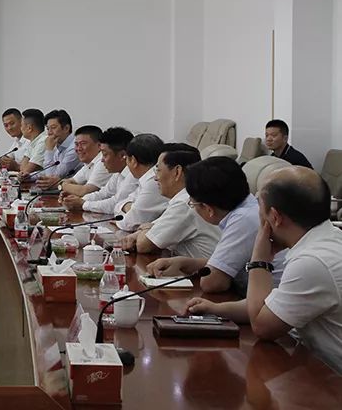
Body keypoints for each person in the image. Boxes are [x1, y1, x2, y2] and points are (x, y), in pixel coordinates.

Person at [186, 167, 342, 374]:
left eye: (260, 208)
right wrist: (216, 309)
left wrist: (260, 259)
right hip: (313, 365)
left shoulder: (312, 262)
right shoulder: (327, 239)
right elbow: (271, 308)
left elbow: (263, 326)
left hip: (329, 379)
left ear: (275, 217)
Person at [147, 156, 284, 293]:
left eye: (192, 204)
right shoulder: (249, 207)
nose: (192, 207)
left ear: (208, 209)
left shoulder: (243, 219)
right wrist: (186, 263)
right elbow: (223, 266)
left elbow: (212, 283)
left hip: (270, 301)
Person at [119, 144, 221, 259]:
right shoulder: (187, 197)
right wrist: (148, 229)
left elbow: (143, 245)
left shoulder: (186, 203)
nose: (155, 178)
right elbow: (149, 230)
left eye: (158, 170)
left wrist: (147, 229)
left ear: (177, 172)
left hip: (203, 270)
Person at [62, 127, 136, 215]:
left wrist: (83, 204)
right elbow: (103, 194)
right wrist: (77, 200)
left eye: (105, 154)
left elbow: (115, 203)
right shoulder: (118, 173)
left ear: (122, 155)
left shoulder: (133, 175)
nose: (102, 160)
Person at [114, 134, 168, 231]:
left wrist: (128, 209)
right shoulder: (145, 178)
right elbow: (119, 204)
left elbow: (129, 223)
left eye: (127, 159)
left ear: (133, 161)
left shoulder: (153, 181)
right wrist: (129, 207)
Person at [58, 125, 110, 197]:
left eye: (83, 144)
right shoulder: (89, 163)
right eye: (76, 144)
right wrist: (67, 187)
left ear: (99, 146)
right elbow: (72, 181)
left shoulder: (103, 161)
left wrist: (62, 186)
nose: (79, 148)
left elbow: (85, 191)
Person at [35, 109, 81, 187]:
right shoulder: (59, 144)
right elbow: (48, 170)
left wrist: (49, 150)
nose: (49, 133)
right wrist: (29, 176)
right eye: (48, 128)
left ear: (66, 128)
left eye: (53, 128)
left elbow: (51, 177)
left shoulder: (75, 148)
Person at [18, 108, 47, 177]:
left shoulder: (43, 141)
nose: (20, 128)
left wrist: (24, 169)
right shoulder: (33, 141)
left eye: (21, 125)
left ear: (29, 128)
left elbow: (26, 170)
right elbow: (22, 168)